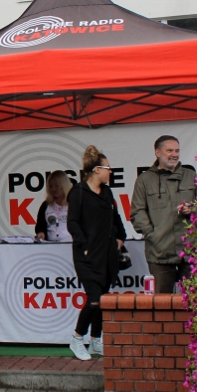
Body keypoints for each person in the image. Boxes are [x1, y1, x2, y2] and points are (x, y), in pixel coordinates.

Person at [67, 146, 126, 361]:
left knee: (103, 299)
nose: (111, 171)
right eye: (108, 168)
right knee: (94, 300)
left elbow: (116, 217)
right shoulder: (78, 193)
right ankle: (77, 338)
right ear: (96, 169)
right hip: (87, 255)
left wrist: (121, 237)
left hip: (107, 254)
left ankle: (95, 339)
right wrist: (83, 244)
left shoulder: (107, 192)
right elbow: (72, 222)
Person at [130, 135, 196, 294]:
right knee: (162, 302)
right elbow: (137, 212)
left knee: (195, 300)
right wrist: (153, 235)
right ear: (158, 153)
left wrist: (194, 209)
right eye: (170, 150)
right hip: (159, 253)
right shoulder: (144, 180)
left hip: (190, 250)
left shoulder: (191, 175)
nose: (174, 154)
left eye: (177, 151)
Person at [35, 171, 74, 242]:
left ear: (64, 186)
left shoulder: (73, 203)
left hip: (70, 244)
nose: (53, 189)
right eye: (51, 186)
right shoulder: (46, 205)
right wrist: (41, 232)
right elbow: (40, 225)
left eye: (57, 186)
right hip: (50, 244)